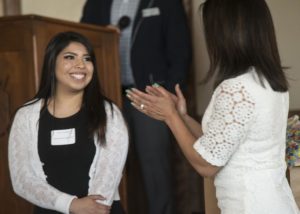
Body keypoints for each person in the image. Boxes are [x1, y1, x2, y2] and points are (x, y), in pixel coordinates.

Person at [126, 0, 300, 213]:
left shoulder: (236, 89)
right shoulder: (270, 81)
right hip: (275, 201)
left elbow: (206, 165)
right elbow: (218, 145)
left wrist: (170, 117)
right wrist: (182, 116)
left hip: (249, 205)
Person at [80, 1, 191, 214]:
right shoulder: (95, 3)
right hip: (105, 97)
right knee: (105, 168)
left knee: (155, 171)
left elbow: (180, 51)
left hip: (149, 96)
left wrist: (168, 94)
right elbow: (80, 42)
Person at [8, 31, 128, 214]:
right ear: (52, 63)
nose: (81, 65)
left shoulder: (109, 113)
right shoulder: (26, 116)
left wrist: (87, 209)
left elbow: (108, 175)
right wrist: (70, 205)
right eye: (70, 57)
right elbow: (22, 179)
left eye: (87, 59)